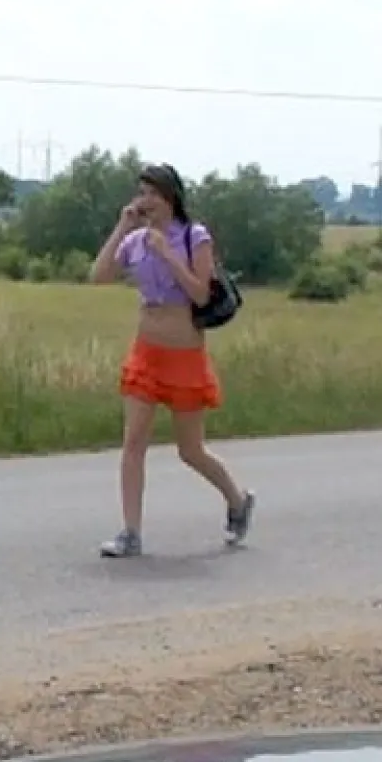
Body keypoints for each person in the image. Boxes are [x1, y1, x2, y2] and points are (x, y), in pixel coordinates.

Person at [89, 162, 255, 559]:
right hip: (147, 351)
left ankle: (236, 500)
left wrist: (167, 253)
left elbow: (200, 293)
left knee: (190, 449)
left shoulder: (194, 237)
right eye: (141, 192)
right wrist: (122, 228)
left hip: (184, 355)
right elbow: (99, 275)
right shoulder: (136, 240)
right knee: (133, 443)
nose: (145, 200)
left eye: (152, 193)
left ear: (170, 198)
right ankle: (131, 532)